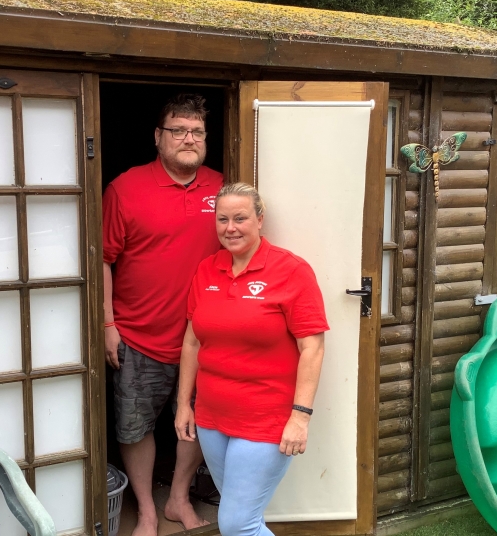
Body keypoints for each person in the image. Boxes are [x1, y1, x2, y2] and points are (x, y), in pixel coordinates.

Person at [174, 183, 328, 536]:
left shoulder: (291, 271)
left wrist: (300, 418)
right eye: (222, 219)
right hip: (212, 418)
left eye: (240, 218)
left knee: (236, 524)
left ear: (260, 219)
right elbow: (192, 342)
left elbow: (313, 349)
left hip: (265, 419)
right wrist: (185, 404)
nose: (231, 228)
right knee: (242, 513)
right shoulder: (207, 270)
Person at [102, 93, 222, 536]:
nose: (189, 139)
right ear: (158, 137)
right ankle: (146, 511)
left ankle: (176, 499)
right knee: (135, 427)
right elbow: (103, 260)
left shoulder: (221, 188)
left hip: (206, 338)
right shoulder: (125, 188)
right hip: (139, 335)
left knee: (199, 423)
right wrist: (106, 324)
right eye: (178, 130)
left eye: (197, 132)